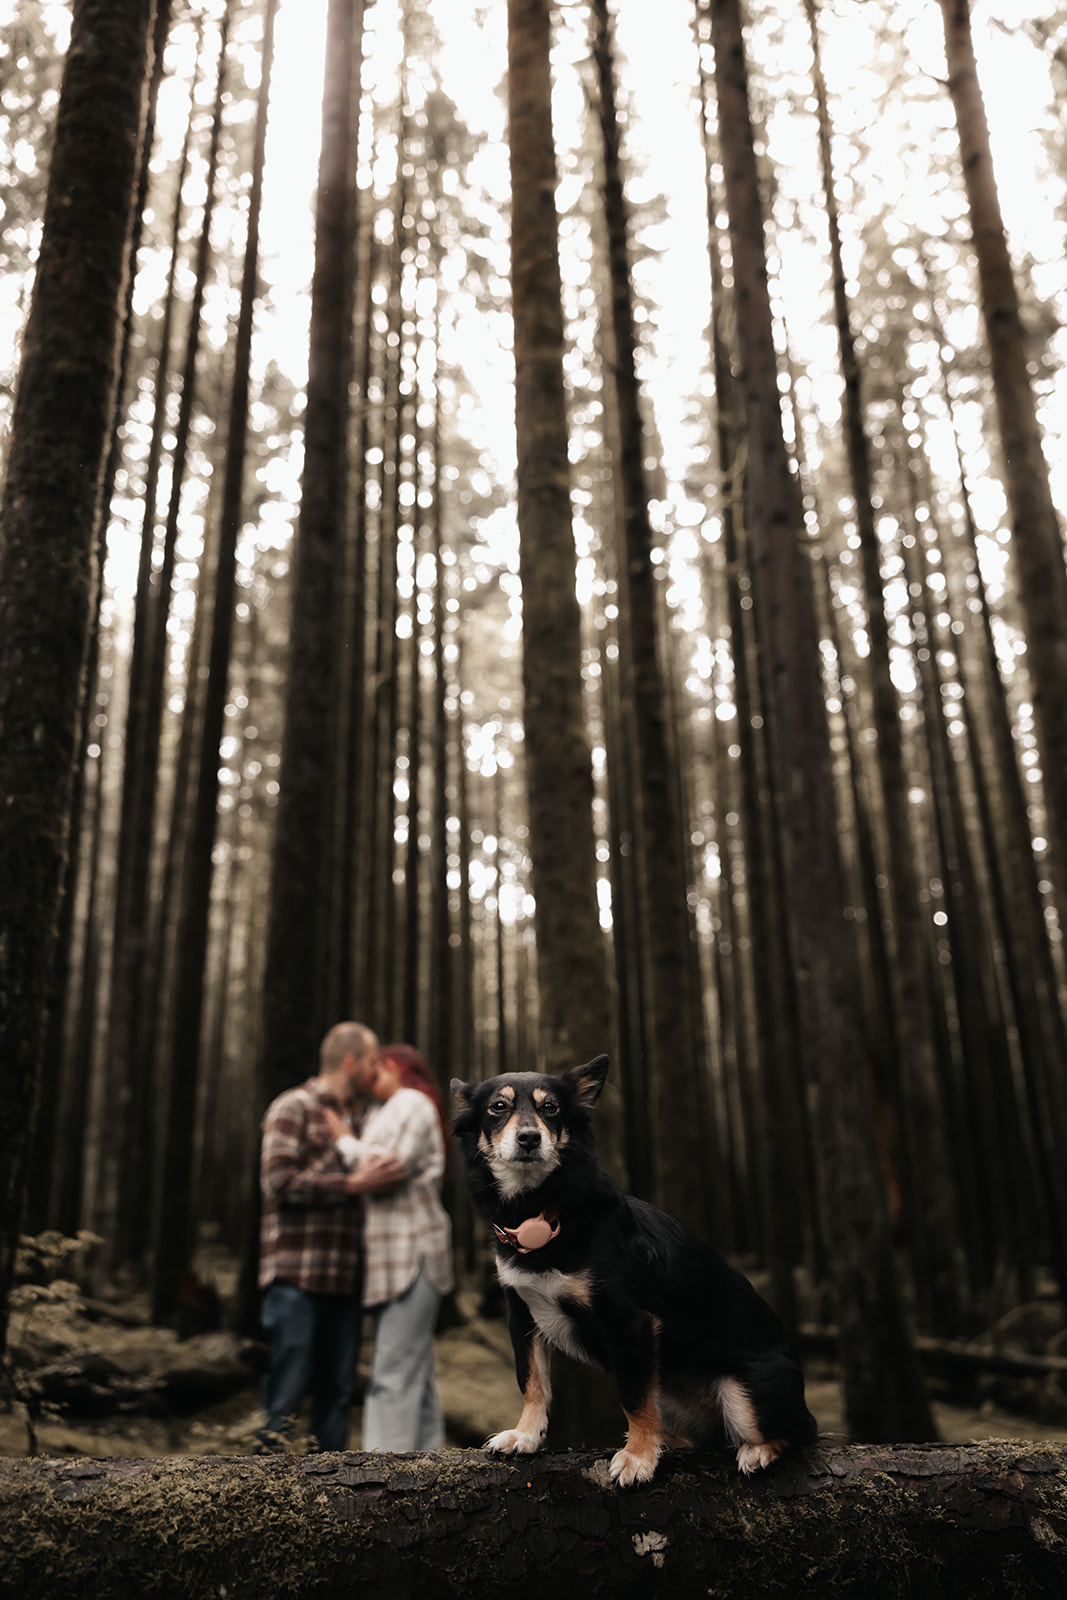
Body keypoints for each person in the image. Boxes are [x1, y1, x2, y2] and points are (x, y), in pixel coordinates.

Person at [256, 1021, 405, 1453]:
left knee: (337, 1399)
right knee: (285, 1398)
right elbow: (278, 1182)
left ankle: (336, 1505)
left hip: (346, 1283)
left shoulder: (359, 1120)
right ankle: (256, 1501)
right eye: (373, 1059)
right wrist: (353, 1185)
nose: (378, 1069)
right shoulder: (292, 1107)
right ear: (351, 1061)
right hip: (294, 1280)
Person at [323, 1043, 454, 1451]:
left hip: (411, 1255)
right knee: (414, 1370)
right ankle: (431, 1472)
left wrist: (344, 1140)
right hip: (394, 1260)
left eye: (381, 1062)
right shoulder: (384, 1111)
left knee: (392, 1371)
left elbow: (390, 1165)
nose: (372, 1069)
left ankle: (381, 1485)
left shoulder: (413, 1101)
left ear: (402, 1067)